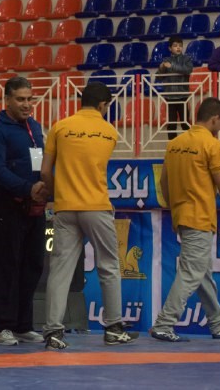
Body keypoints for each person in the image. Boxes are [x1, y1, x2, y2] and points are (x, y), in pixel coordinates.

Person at [40, 82, 137, 350]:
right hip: (96, 207)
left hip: (65, 207)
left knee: (60, 271)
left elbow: (45, 171)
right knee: (109, 266)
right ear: (103, 105)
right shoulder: (110, 132)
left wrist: (54, 194)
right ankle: (114, 328)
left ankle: (53, 332)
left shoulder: (59, 127)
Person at [150, 97, 220, 342]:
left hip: (182, 215)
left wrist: (174, 208)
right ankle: (164, 324)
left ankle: (218, 322)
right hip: (200, 217)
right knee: (192, 272)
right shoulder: (212, 145)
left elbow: (164, 182)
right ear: (215, 118)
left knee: (201, 271)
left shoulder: (175, 144)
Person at [0, 76, 46, 347]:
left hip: (35, 207)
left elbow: (41, 163)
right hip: (8, 206)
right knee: (8, 266)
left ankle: (23, 325)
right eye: (20, 99)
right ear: (7, 100)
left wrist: (43, 188)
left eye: (30, 99)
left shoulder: (34, 127)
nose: (27, 104)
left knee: (33, 265)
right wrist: (27, 188)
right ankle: (1, 328)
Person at [157, 35, 194, 141]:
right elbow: (158, 77)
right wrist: (161, 68)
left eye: (180, 46)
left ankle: (189, 144)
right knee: (171, 125)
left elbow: (188, 70)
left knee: (185, 123)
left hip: (183, 96)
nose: (178, 48)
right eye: (175, 46)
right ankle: (172, 145)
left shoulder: (186, 59)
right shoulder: (166, 60)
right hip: (170, 97)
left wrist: (171, 66)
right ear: (170, 48)